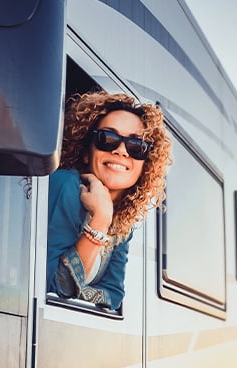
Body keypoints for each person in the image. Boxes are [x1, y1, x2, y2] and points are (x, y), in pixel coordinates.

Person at [46, 91, 172, 310]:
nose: (121, 150)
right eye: (107, 138)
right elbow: (55, 285)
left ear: (145, 164)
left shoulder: (123, 222)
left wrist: (78, 290)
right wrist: (100, 220)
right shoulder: (65, 185)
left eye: (136, 146)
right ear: (87, 152)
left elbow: (114, 294)